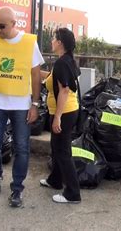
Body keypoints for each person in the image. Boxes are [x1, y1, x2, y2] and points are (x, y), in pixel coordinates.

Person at [0, 6, 43, 208]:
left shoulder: (29, 43)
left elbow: (35, 75)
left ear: (14, 24)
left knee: (22, 147)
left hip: (21, 104)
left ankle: (17, 188)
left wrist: (35, 104)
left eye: (1, 26)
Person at [39, 28, 81, 204]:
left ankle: (73, 193)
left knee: (63, 151)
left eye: (54, 38)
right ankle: (55, 180)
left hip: (64, 112)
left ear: (60, 42)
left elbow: (64, 90)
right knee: (56, 147)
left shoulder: (62, 63)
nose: (52, 41)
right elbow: (55, 79)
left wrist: (57, 117)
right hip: (67, 110)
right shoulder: (67, 60)